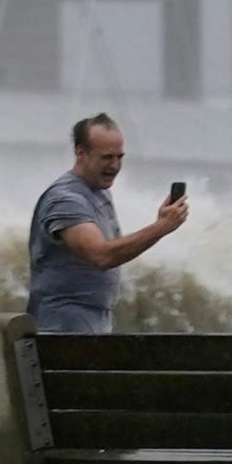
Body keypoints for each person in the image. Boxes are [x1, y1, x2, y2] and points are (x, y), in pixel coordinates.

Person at [26, 113, 188, 334]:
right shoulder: (64, 199)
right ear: (80, 153)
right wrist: (161, 228)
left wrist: (159, 222)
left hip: (94, 327)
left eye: (119, 157)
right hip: (60, 332)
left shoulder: (100, 193)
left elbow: (113, 248)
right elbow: (100, 256)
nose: (115, 165)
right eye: (106, 157)